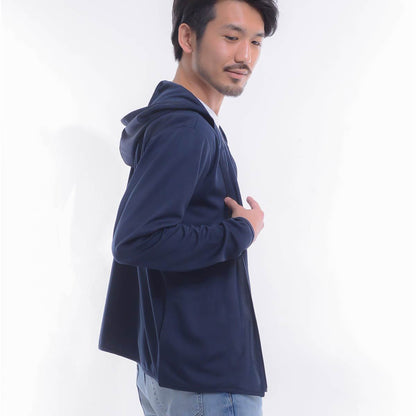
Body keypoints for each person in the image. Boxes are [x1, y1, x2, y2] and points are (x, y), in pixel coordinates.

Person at [98, 0, 279, 414]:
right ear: (187, 36)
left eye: (255, 42)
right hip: (205, 382)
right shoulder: (185, 128)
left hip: (174, 371)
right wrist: (242, 230)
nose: (245, 56)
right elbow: (136, 239)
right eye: (231, 37)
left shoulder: (177, 121)